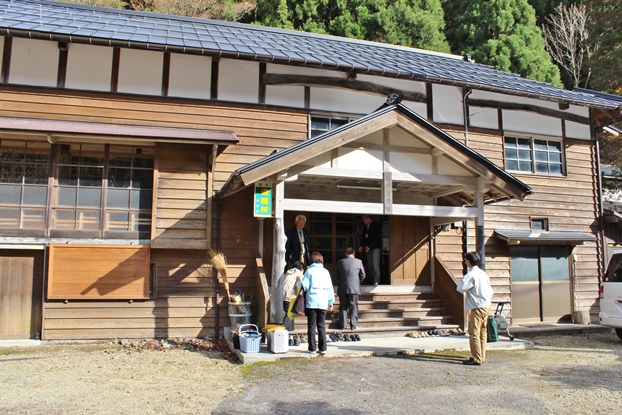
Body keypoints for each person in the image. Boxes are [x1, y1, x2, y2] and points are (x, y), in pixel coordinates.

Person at [457, 251, 494, 366]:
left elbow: (460, 288)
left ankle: (477, 358)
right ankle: (481, 356)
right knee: (483, 332)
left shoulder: (471, 275)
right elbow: (490, 290)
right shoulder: (483, 274)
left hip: (477, 306)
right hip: (486, 305)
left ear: (468, 261)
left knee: (474, 332)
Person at [297, 251, 334, 355]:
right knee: (321, 325)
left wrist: (299, 281)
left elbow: (305, 286)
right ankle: (323, 348)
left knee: (311, 326)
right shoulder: (326, 272)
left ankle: (312, 348)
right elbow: (330, 288)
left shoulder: (309, 271)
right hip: (323, 302)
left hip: (312, 302)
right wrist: (330, 302)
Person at [336, 247, 365, 331]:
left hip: (343, 287)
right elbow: (363, 275)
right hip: (354, 288)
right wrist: (357, 281)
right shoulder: (358, 262)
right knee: (353, 306)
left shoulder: (340, 262)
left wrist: (341, 281)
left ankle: (343, 325)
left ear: (345, 254)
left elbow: (337, 275)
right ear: (354, 254)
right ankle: (353, 325)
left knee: (343, 306)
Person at [358, 215, 381, 285]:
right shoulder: (365, 226)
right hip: (367, 248)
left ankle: (376, 280)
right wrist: (361, 245)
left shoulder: (376, 225)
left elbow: (377, 238)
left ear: (368, 219)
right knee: (370, 265)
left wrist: (370, 246)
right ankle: (372, 280)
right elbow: (363, 236)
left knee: (375, 264)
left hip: (375, 247)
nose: (363, 221)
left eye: (364, 219)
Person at [281, 261, 304, 332]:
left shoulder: (287, 273)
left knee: (289, 314)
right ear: (301, 269)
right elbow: (299, 287)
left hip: (284, 296)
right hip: (291, 297)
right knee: (290, 315)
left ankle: (288, 333)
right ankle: (281, 330)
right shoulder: (299, 274)